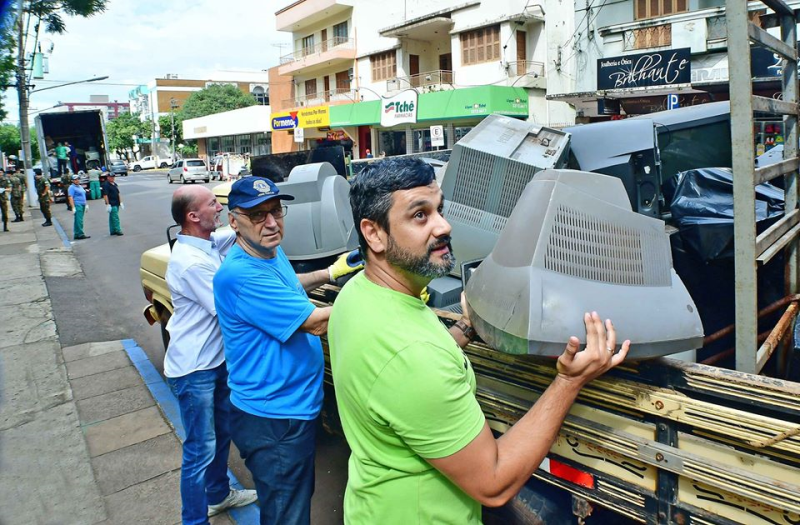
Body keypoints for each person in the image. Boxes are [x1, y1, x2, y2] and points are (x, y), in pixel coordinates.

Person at [327, 158, 631, 524]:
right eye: (420, 216)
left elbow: (398, 374)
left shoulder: (357, 296)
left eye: (439, 209)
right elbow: (494, 483)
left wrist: (466, 328)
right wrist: (569, 381)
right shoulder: (414, 356)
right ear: (373, 233)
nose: (444, 226)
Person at [213, 177, 363, 525]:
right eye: (257, 215)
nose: (271, 223)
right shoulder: (240, 275)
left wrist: (331, 271)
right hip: (274, 419)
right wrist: (382, 295)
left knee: (292, 500)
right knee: (287, 513)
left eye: (276, 211)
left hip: (290, 409)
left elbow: (289, 286)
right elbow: (315, 323)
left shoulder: (268, 251)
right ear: (233, 221)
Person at [166, 185, 257, 524]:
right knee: (199, 450)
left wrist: (249, 216)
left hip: (215, 362)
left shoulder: (206, 243)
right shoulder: (190, 263)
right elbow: (228, 308)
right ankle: (194, 519)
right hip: (195, 370)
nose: (219, 207)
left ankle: (218, 495)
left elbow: (232, 233)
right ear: (193, 216)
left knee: (220, 436)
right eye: (212, 204)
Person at [67, 174, 90, 240]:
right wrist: (73, 207)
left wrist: (86, 204)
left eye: (77, 179)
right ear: (72, 181)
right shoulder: (72, 187)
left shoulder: (80, 186)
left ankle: (77, 234)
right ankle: (80, 234)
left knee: (78, 220)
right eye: (75, 180)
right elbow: (70, 197)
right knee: (79, 220)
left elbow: (83, 195)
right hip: (78, 205)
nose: (77, 181)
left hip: (82, 204)